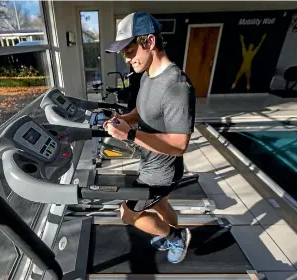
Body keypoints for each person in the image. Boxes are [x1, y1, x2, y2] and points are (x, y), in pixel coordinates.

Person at [103, 12, 196, 264]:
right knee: (161, 206)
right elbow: (142, 112)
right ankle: (171, 235)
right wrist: (126, 119)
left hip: (161, 173)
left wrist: (131, 134)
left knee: (127, 214)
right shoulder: (147, 76)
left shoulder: (177, 87)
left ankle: (176, 236)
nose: (127, 58)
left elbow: (179, 145)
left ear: (150, 42)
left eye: (131, 50)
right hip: (151, 164)